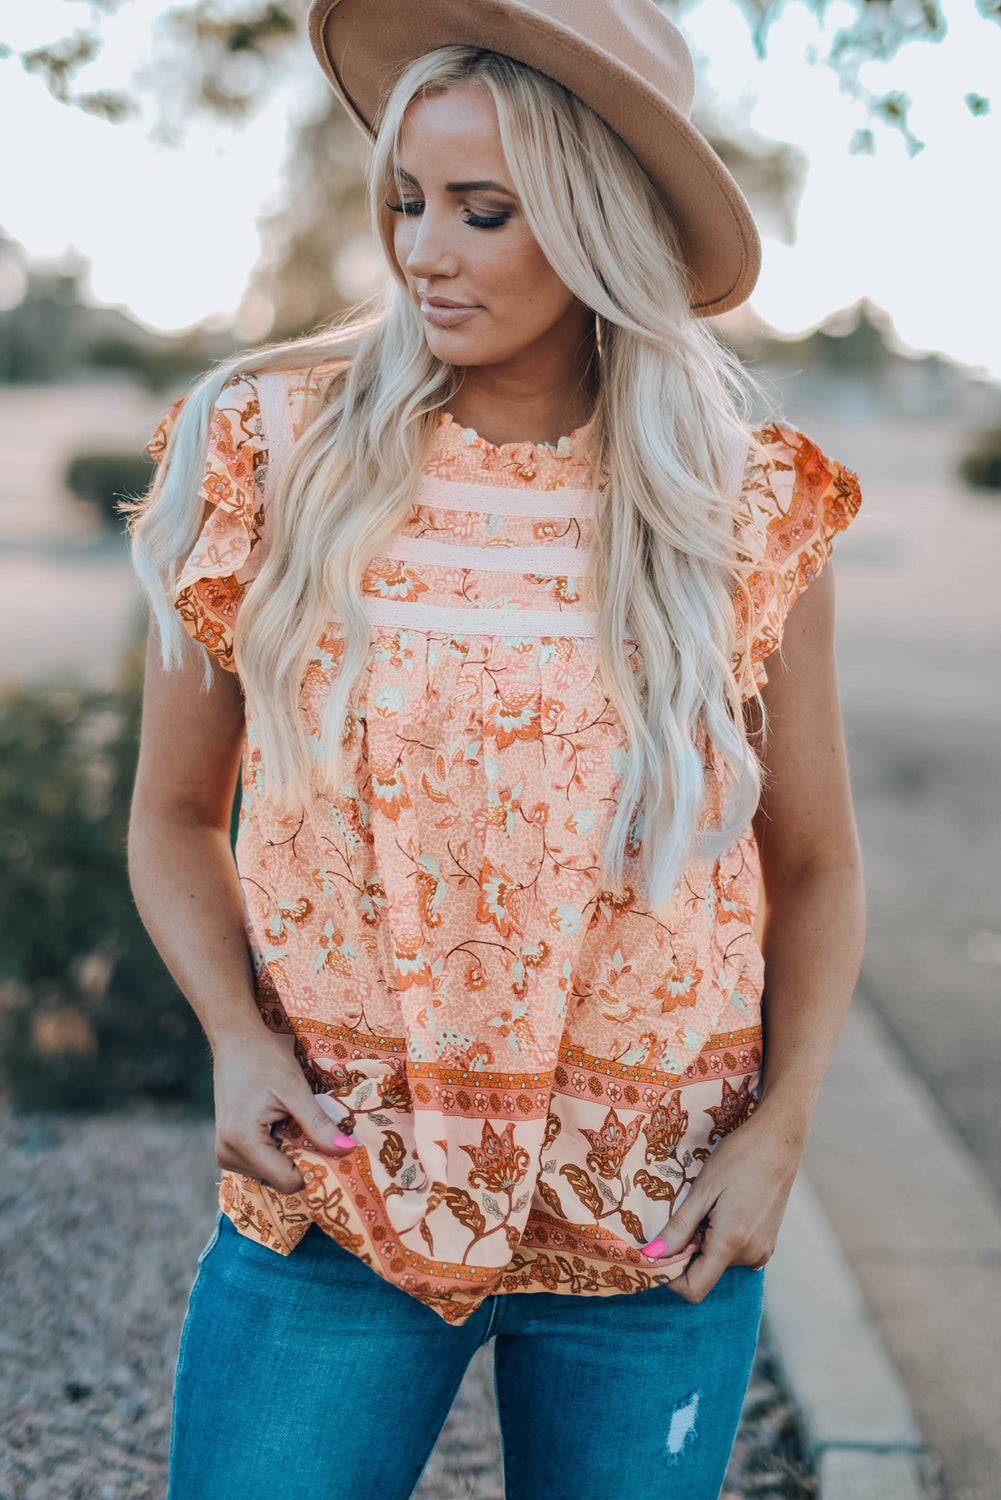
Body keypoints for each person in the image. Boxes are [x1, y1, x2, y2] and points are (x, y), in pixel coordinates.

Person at [125, 1, 866, 1496]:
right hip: (340, 1180)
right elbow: (170, 815)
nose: (425, 252)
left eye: (484, 211)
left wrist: (778, 1131)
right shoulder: (270, 446)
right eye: (407, 202)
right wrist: (235, 1036)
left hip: (656, 1207)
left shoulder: (742, 501)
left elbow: (817, 861)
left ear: (597, 224)